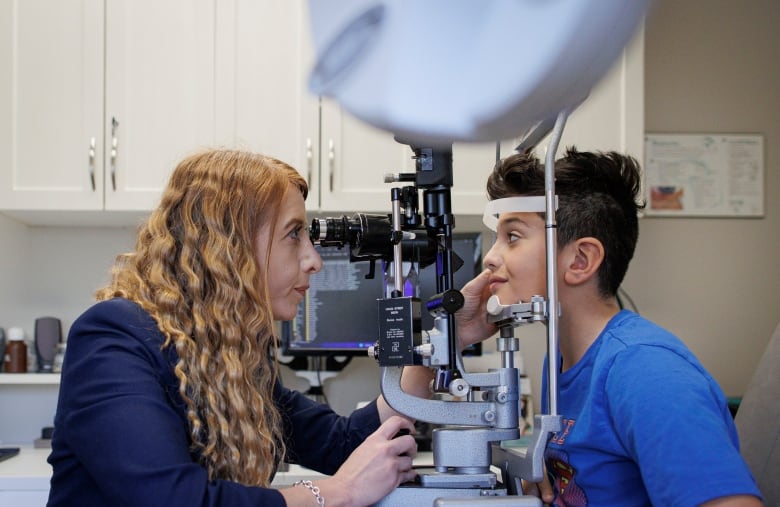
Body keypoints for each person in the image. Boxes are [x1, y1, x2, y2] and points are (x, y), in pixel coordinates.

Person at [47, 149, 437, 507]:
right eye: (294, 234)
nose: (315, 260)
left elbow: (344, 444)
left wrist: (442, 340)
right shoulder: (114, 337)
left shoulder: (231, 357)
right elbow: (171, 499)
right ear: (230, 248)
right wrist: (336, 493)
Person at [454, 148, 763, 506]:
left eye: (513, 237)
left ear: (580, 260)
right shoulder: (559, 359)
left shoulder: (646, 371)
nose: (491, 257)